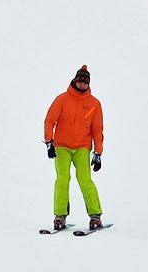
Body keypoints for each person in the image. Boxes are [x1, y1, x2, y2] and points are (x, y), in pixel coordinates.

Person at [43, 65, 104, 232]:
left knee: (84, 179)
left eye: (86, 82)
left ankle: (95, 215)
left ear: (88, 84)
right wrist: (49, 142)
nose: (83, 84)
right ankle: (60, 216)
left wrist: (98, 153)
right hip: (62, 146)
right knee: (62, 179)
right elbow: (50, 121)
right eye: (80, 81)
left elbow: (97, 130)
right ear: (75, 81)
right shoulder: (62, 100)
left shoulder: (94, 104)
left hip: (82, 147)